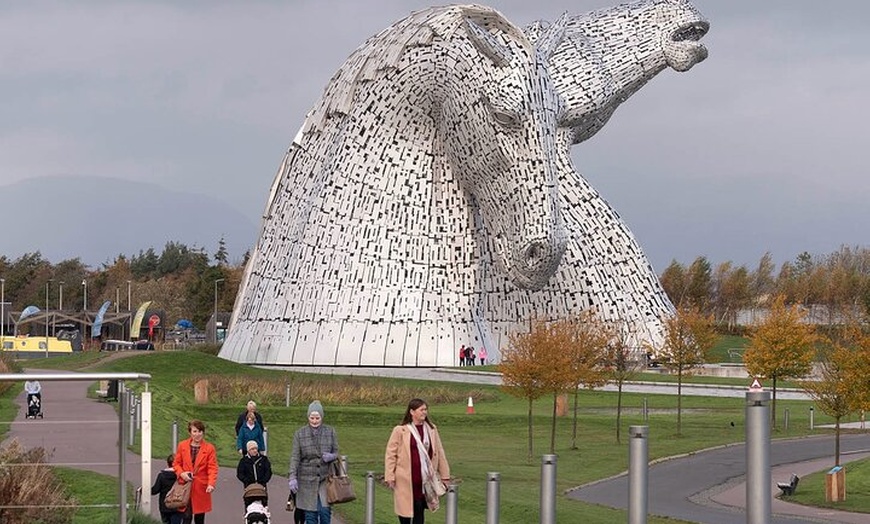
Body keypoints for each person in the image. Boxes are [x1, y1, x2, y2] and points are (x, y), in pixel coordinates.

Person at [385, 398, 450, 524]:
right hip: (405, 478)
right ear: (412, 412)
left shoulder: (431, 429)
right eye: (421, 410)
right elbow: (390, 455)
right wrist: (390, 476)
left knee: (419, 509)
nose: (424, 412)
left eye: (426, 410)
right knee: (404, 512)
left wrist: (445, 475)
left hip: (424, 479)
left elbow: (440, 452)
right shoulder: (400, 430)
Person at [289, 400, 339, 524]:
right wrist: (292, 477)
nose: (315, 421)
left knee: (324, 511)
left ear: (322, 417)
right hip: (306, 478)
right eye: (312, 418)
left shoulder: (330, 432)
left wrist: (332, 456)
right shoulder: (299, 434)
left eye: (317, 418)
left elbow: (337, 452)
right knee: (310, 514)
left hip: (325, 478)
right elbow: (295, 457)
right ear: (308, 417)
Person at [174, 419, 219, 524]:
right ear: (190, 432)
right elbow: (176, 464)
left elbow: (212, 467)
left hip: (201, 487)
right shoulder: (182, 445)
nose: (197, 434)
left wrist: (211, 484)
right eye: (194, 431)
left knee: (199, 517)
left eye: (200, 431)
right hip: (185, 486)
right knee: (186, 516)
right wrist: (182, 473)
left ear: (203, 432)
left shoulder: (209, 448)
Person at [151, 454, 184, 524]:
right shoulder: (181, 476)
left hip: (164, 506)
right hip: (178, 504)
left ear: (168, 463)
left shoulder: (162, 476)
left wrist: (145, 490)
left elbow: (155, 490)